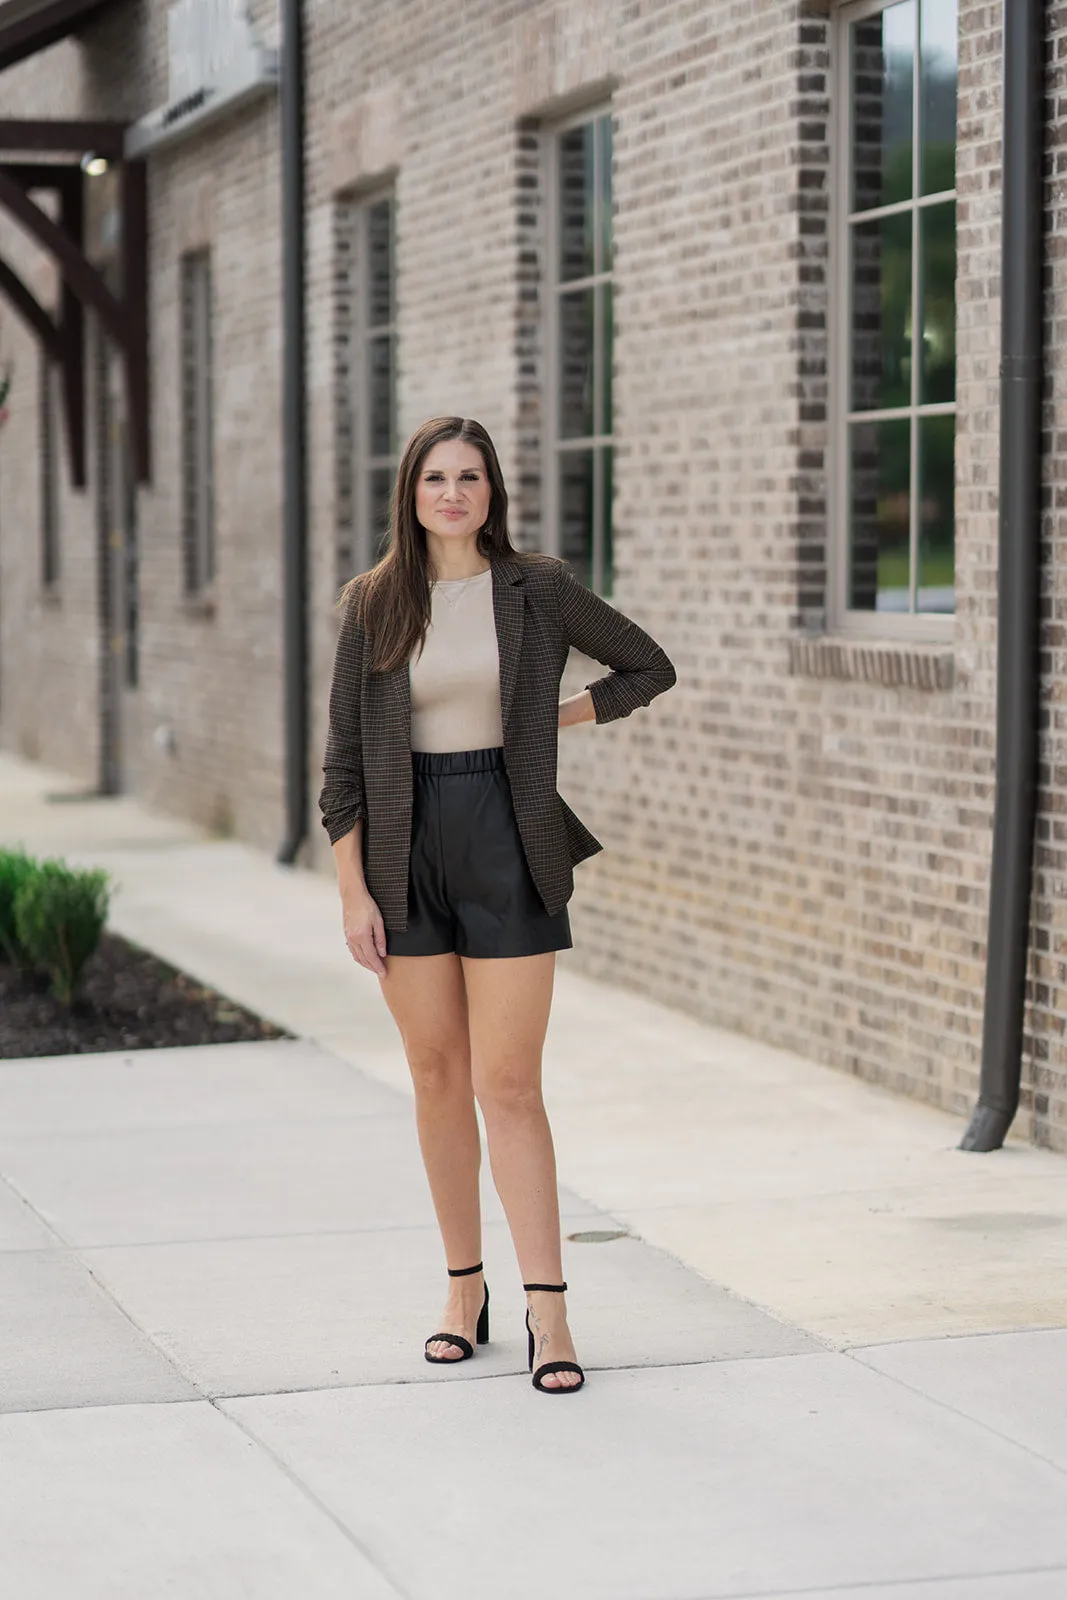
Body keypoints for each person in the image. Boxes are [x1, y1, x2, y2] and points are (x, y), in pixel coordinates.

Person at [319, 416, 676, 1394]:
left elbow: (648, 665)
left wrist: (555, 714)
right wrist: (353, 893)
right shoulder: (374, 603)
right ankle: (461, 1291)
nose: (451, 492)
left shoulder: (536, 587)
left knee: (508, 1084)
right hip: (402, 856)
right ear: (412, 492)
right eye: (435, 477)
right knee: (436, 1074)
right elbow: (343, 769)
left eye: (468, 476)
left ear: (490, 491)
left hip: (507, 845)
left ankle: (548, 1314)